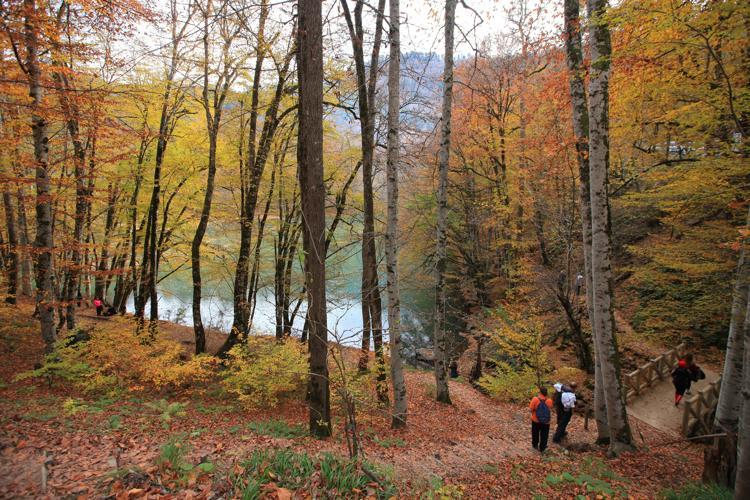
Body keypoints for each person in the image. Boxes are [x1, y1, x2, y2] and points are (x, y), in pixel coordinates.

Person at [529, 386, 553, 452]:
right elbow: (550, 409)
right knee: (544, 435)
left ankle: (535, 445)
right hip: (546, 421)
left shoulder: (535, 399)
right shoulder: (549, 400)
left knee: (535, 433)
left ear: (540, 392)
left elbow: (530, 409)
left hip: (536, 420)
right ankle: (542, 447)